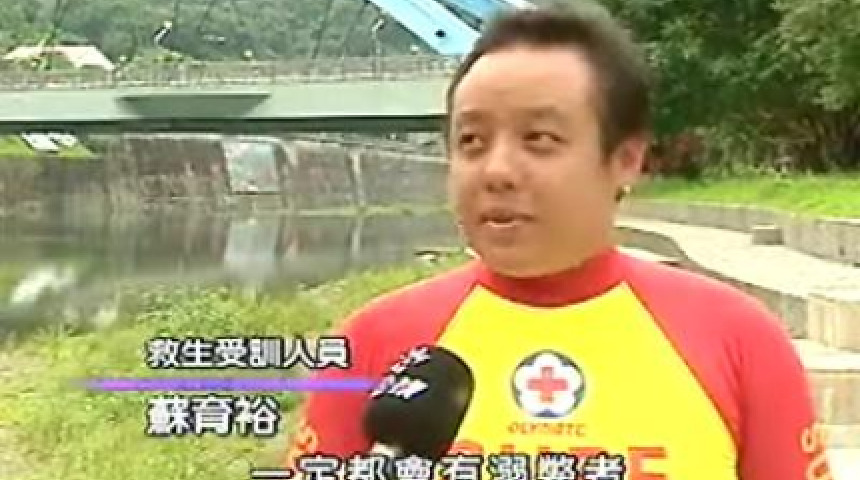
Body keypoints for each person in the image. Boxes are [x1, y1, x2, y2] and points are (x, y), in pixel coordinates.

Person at [284, 3, 833, 479]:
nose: (497, 170)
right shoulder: (373, 342)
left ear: (625, 160)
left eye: (539, 139)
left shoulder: (739, 341)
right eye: (472, 141)